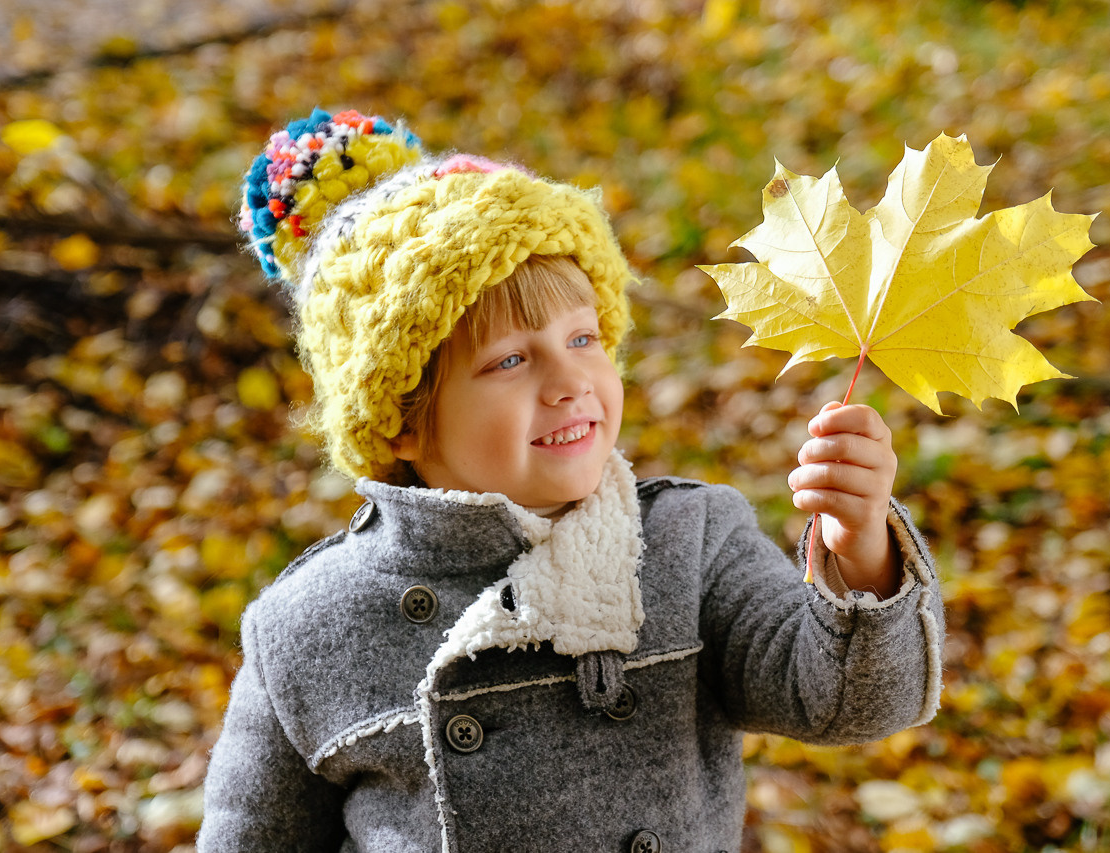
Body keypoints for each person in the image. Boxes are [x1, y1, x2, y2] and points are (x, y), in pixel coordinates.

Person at [198, 107, 945, 853]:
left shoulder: (687, 546)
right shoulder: (308, 627)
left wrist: (858, 548)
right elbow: (249, 837)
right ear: (401, 419)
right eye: (510, 361)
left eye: (583, 338)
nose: (571, 381)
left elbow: (849, 701)